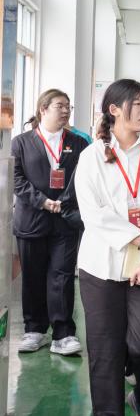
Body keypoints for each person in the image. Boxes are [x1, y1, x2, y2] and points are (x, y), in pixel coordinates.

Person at [76, 79, 140, 416]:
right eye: (137, 103)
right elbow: (93, 213)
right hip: (101, 265)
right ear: (114, 109)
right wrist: (138, 238)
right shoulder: (92, 156)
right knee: (105, 352)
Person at [12, 89, 89, 356]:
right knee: (32, 276)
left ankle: (63, 334)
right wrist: (43, 201)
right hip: (31, 220)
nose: (66, 111)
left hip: (65, 221)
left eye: (68, 106)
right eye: (60, 106)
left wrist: (63, 202)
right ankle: (34, 330)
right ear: (43, 109)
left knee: (62, 276)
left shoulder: (78, 143)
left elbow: (83, 178)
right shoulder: (21, 143)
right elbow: (17, 179)